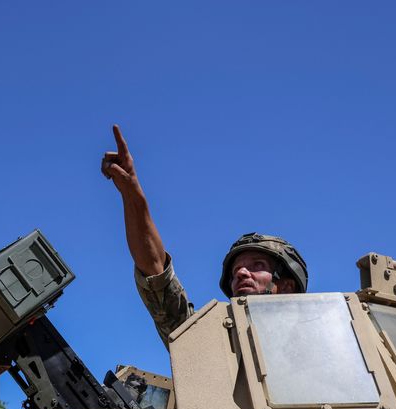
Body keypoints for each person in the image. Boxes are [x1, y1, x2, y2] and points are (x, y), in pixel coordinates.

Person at [101, 125, 309, 345]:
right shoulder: (212, 343)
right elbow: (155, 273)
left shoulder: (325, 343)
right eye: (236, 269)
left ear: (286, 286)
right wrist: (132, 193)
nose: (241, 273)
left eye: (257, 265)